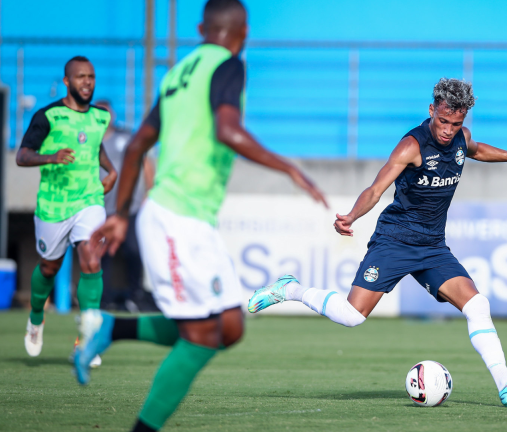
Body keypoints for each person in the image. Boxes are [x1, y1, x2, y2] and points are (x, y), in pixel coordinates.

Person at [76, 1, 327, 431]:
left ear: (201, 28)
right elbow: (226, 130)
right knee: (201, 336)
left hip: (188, 219)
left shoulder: (177, 73)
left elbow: (137, 146)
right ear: (243, 32)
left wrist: (121, 213)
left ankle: (111, 330)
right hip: (176, 218)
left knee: (229, 328)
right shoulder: (229, 65)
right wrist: (288, 167)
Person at [249, 78, 507, 407]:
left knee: (477, 305)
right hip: (395, 240)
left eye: (456, 123)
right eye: (443, 121)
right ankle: (290, 289)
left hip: (433, 247)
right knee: (352, 315)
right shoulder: (412, 146)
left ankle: (506, 383)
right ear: (431, 110)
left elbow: (476, 149)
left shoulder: (461, 138)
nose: (449, 130)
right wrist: (352, 216)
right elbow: (376, 189)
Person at [17, 56, 116, 368]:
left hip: (89, 199)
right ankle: (35, 319)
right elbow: (22, 155)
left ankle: (85, 341)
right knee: (49, 267)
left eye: (91, 77)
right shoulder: (48, 116)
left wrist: (110, 170)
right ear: (67, 81)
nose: (87, 82)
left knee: (91, 258)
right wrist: (51, 157)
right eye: (80, 77)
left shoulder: (100, 117)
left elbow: (96, 147)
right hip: (53, 205)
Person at [96, 100, 157, 312]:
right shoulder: (89, 142)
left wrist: (150, 191)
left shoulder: (126, 137)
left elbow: (145, 162)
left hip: (129, 209)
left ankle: (135, 295)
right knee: (103, 253)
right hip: (101, 208)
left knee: (134, 250)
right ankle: (103, 299)